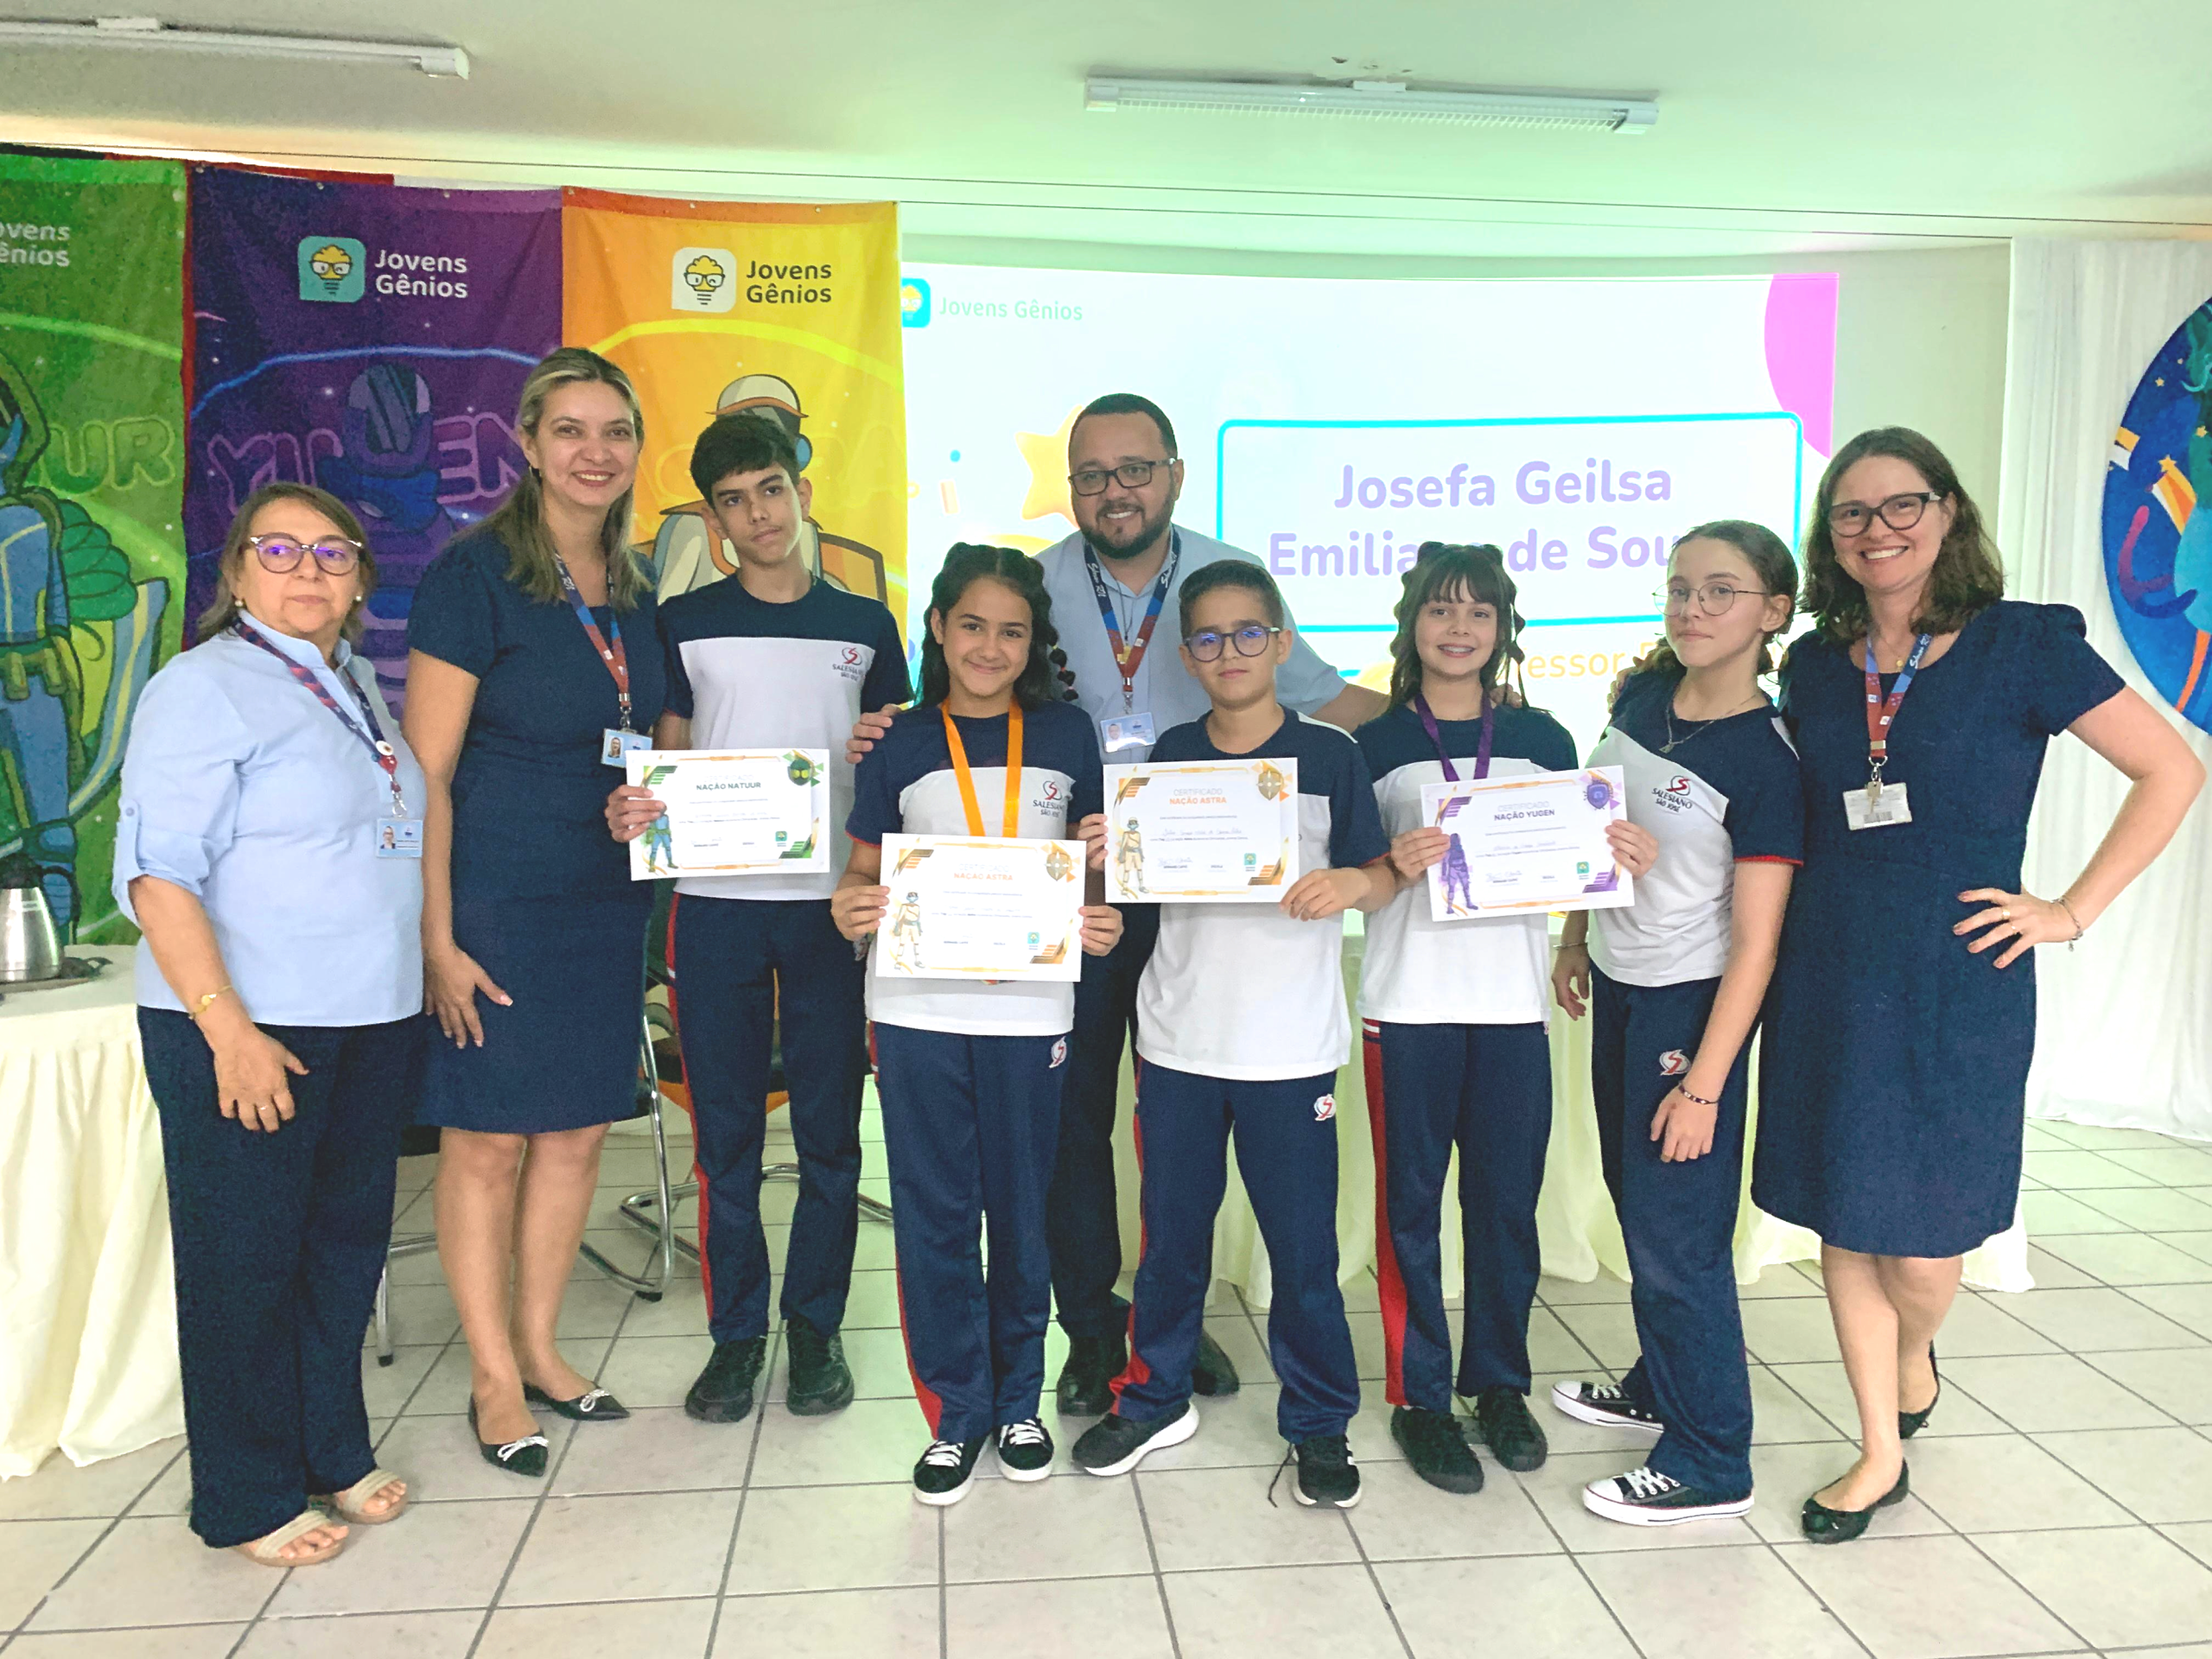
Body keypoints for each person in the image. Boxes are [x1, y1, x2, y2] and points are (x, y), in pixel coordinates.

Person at [850, 392, 1383, 1414]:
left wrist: (1453, 715)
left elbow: (1323, 697)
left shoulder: (1228, 582)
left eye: (1135, 470)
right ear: (1071, 489)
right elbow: (973, 701)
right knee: (1073, 1126)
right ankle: (1094, 1329)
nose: (1115, 491)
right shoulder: (1036, 585)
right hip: (1070, 892)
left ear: (1174, 472)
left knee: (1178, 1124)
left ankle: (1168, 1329)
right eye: (1092, 475)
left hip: (1202, 898)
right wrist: (890, 726)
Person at [1751, 428, 2203, 1543]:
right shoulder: (1813, 663)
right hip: (1828, 971)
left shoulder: (2024, 645)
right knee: (1845, 1215)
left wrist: (2070, 910)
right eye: (1851, 513)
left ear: (1948, 511)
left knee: (1923, 1243)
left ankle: (1914, 1351)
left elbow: (2171, 767)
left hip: (1960, 979)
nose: (1877, 530)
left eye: (1900, 505)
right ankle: (1879, 1449)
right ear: (1829, 535)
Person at [118, 483, 422, 1566]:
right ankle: (247, 1496)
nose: (308, 570)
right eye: (280, 549)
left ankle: (330, 1449)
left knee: (340, 1252)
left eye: (332, 553)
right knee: (243, 1264)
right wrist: (227, 1030)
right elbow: (157, 877)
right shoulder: (201, 688)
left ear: (359, 578)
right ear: (238, 571)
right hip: (248, 1027)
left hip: (367, 1018)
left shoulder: (352, 683)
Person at [606, 411, 908, 1425]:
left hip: (832, 908)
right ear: (713, 520)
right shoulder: (682, 621)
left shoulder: (867, 626)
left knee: (829, 1134)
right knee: (726, 1137)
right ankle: (736, 1335)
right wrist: (641, 800)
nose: (758, 514)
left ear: (802, 492)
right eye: (733, 502)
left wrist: (883, 739)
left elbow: (897, 751)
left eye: (770, 490)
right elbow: (665, 746)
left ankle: (815, 1329)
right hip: (714, 908)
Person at [1071, 560, 1393, 1510]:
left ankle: (1319, 1420)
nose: (1230, 653)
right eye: (1208, 639)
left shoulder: (1330, 755)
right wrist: (1105, 855)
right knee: (1170, 1243)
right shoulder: (1167, 756)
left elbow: (1380, 873)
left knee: (1303, 1252)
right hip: (1178, 1041)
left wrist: (1352, 884)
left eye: (1249, 633)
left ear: (1282, 643)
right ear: (1187, 655)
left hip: (1290, 1050)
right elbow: (1135, 888)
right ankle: (1154, 1397)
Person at [404, 348, 667, 1475]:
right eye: (570, 430)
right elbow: (424, 771)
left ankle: (543, 1349)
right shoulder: (474, 577)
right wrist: (435, 938)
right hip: (497, 905)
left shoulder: (641, 590)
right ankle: (492, 1377)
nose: (595, 453)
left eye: (616, 431)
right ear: (527, 442)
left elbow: (656, 748)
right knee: (487, 1144)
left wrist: (653, 804)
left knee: (575, 1134)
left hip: (603, 906)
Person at [833, 544, 1122, 1506]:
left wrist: (1101, 905)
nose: (990, 648)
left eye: (1011, 631)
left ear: (1033, 643)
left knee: (1024, 1210)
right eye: (971, 626)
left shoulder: (1068, 735)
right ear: (939, 628)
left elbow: (1091, 864)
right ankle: (955, 1412)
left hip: (1031, 1011)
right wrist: (848, 905)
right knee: (936, 1213)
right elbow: (861, 872)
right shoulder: (901, 739)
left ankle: (1019, 1400)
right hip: (915, 1009)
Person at [1550, 521, 1804, 1526]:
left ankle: (1710, 1458)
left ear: (1773, 611)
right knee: (1638, 1203)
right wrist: (1576, 936)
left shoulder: (1767, 757)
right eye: (1679, 587)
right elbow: (1592, 826)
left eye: (1720, 591)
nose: (1692, 608)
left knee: (1676, 1236)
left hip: (1688, 1005)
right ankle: (1660, 1384)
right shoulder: (1643, 699)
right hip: (1619, 981)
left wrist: (1703, 1085)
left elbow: (1757, 945)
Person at [1353, 543, 1577, 1496]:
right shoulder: (1371, 746)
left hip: (1512, 1011)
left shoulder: (1546, 739)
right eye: (1440, 610)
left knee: (1504, 1210)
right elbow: (1354, 879)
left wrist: (1606, 857)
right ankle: (1420, 1398)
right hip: (1406, 1009)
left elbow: (1570, 867)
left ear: (1502, 627)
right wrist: (1389, 864)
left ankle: (1497, 1384)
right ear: (1411, 624)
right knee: (1409, 1213)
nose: (1458, 628)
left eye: (1478, 612)